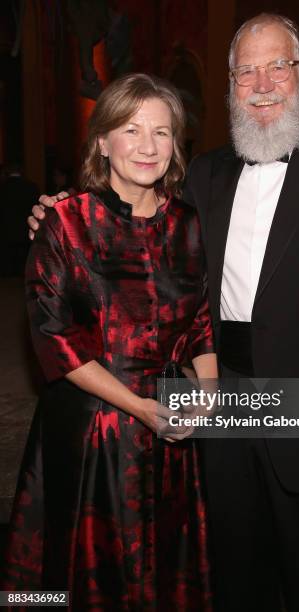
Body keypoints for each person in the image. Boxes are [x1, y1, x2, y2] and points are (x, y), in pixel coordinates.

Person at [28, 12, 299, 612]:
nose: (261, 83)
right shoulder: (205, 172)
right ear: (229, 85)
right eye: (245, 71)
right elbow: (140, 226)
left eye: (277, 66)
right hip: (220, 401)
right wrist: (55, 211)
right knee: (230, 570)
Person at [5, 73, 217, 611]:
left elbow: (201, 322)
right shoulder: (65, 222)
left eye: (162, 132)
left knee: (165, 567)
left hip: (170, 427)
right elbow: (56, 338)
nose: (147, 146)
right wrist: (142, 409)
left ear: (177, 145)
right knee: (79, 572)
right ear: (103, 140)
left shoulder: (189, 225)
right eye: (131, 129)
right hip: (92, 431)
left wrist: (208, 395)